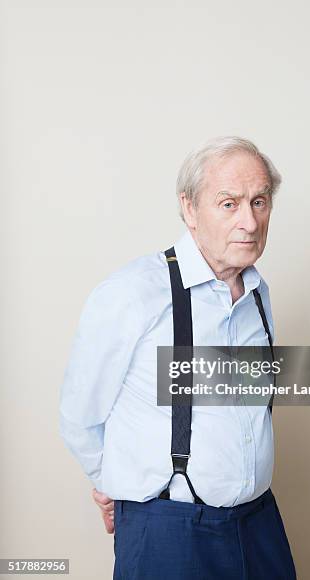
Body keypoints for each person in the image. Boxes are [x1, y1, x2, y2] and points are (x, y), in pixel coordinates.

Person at [59, 136, 297, 579]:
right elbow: (78, 417)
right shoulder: (133, 294)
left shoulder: (259, 295)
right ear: (189, 208)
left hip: (259, 523)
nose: (249, 221)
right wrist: (115, 482)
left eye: (259, 202)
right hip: (170, 531)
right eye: (229, 204)